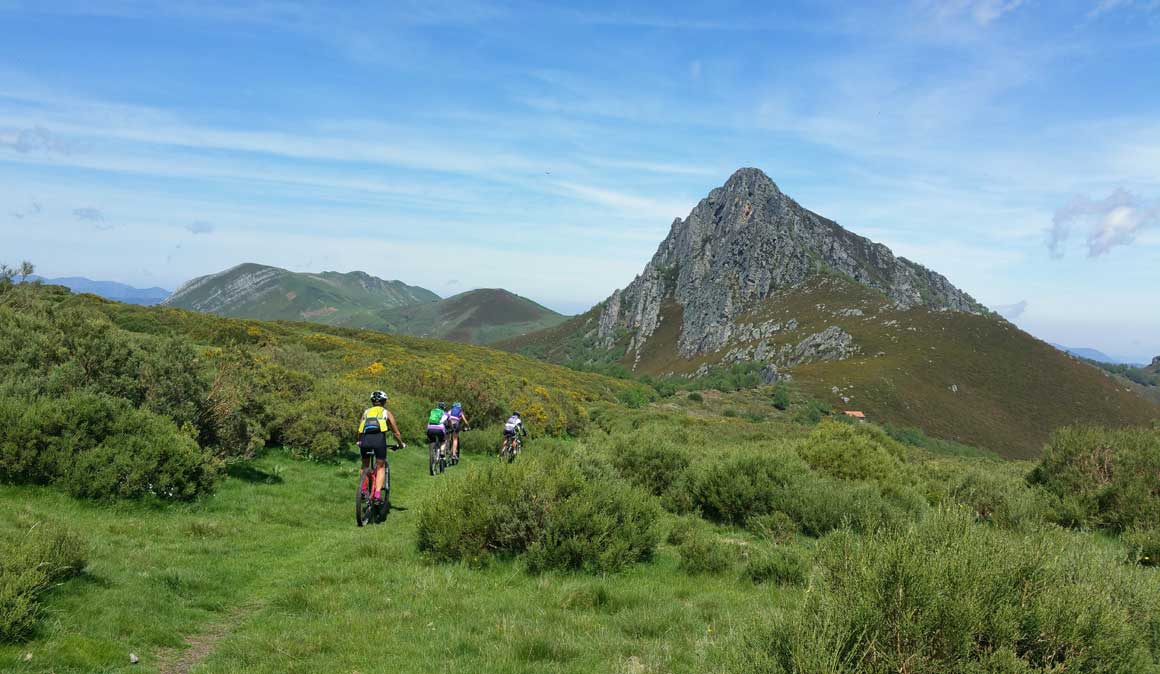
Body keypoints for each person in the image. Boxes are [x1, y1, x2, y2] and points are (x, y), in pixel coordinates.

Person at [357, 390, 404, 507]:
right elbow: (396, 433)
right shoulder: (386, 413)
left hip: (365, 439)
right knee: (381, 466)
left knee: (364, 465)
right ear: (384, 401)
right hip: (379, 439)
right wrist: (401, 444)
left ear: (372, 402)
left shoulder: (366, 412)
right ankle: (377, 495)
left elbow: (359, 430)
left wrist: (359, 441)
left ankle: (363, 490)